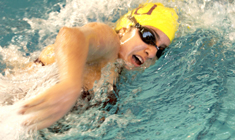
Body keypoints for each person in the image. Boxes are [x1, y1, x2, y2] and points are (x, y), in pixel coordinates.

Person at [18, 2, 179, 130]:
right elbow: (71, 35)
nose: (151, 52)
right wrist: (70, 85)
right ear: (124, 29)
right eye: (148, 36)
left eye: (160, 50)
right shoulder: (110, 41)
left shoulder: (115, 72)